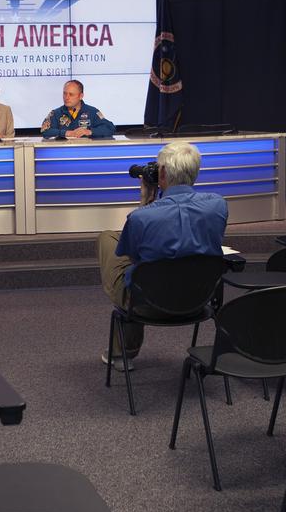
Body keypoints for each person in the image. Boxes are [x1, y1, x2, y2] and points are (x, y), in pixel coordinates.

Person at [95, 142, 228, 368]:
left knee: (108, 240)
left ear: (162, 172)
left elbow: (134, 258)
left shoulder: (141, 218)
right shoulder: (218, 205)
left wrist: (146, 203)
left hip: (149, 304)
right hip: (199, 300)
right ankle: (123, 350)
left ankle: (123, 352)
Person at [41, 80, 115, 140]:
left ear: (81, 96)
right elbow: (45, 131)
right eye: (65, 93)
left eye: (71, 94)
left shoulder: (92, 112)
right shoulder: (56, 113)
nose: (66, 97)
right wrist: (66, 133)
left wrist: (89, 132)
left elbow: (110, 128)